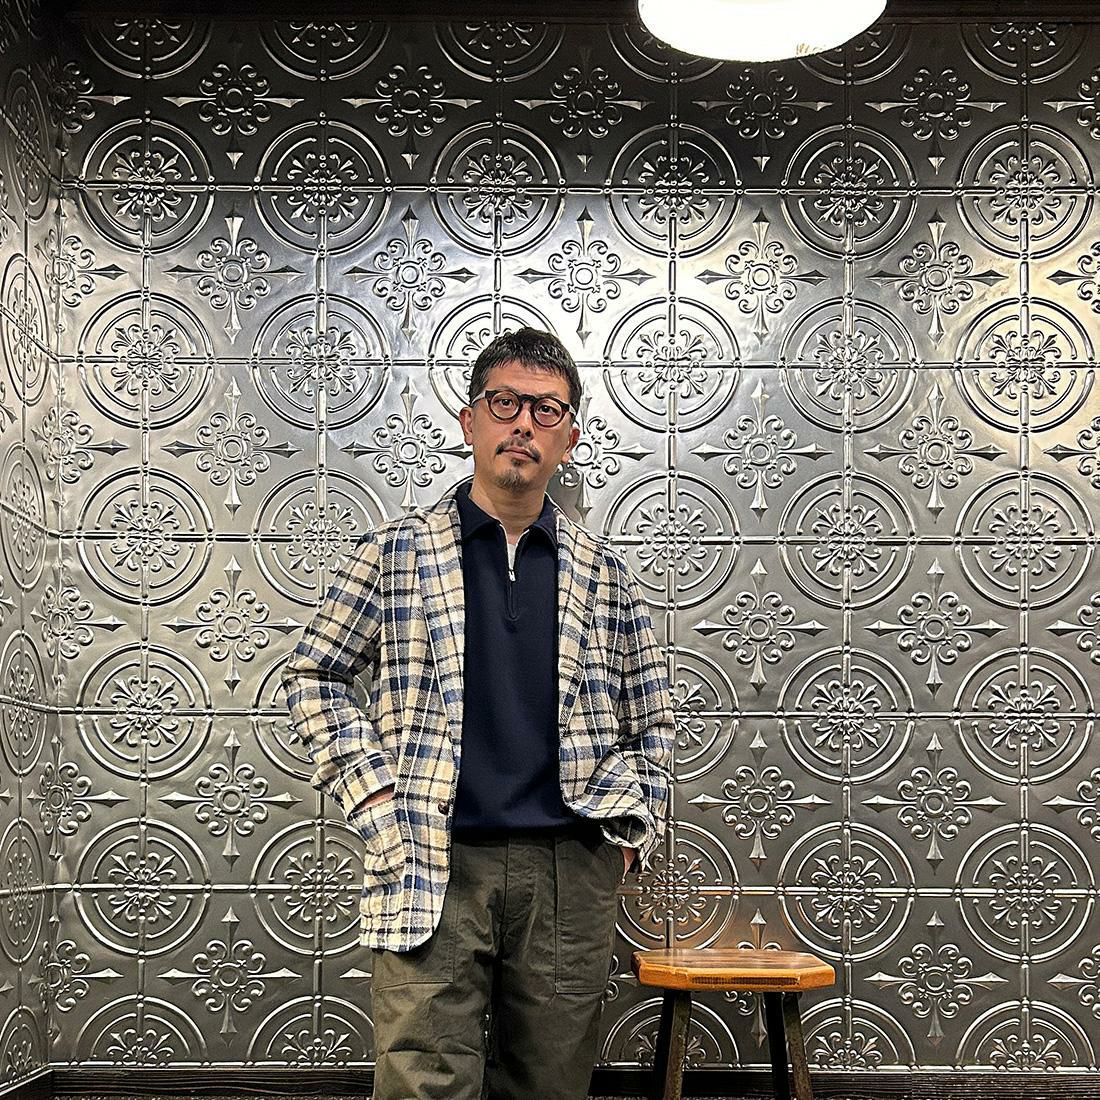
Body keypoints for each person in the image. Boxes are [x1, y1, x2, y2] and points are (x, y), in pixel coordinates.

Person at [281, 327, 674, 1100]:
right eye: (504, 403)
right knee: (421, 1083)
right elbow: (313, 675)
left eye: (546, 410)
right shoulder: (393, 554)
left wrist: (627, 837)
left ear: (569, 439)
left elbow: (651, 721)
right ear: (470, 421)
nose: (523, 423)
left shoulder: (604, 574)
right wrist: (377, 797)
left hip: (570, 867)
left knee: (551, 1085)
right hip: (432, 856)